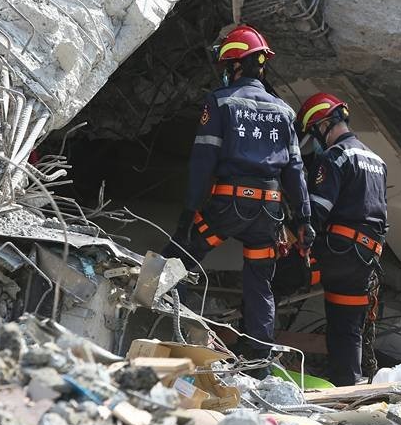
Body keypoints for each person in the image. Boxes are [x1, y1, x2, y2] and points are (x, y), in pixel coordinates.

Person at [165, 25, 314, 371]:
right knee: (260, 283)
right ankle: (259, 361)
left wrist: (189, 211)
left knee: (177, 259)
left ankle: (171, 334)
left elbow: (203, 162)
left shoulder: (220, 101)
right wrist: (304, 219)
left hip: (228, 207)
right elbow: (295, 171)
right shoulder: (284, 112)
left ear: (234, 65)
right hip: (268, 215)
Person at [296, 92, 388, 386]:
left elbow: (317, 212)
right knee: (347, 327)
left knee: (275, 277)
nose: (315, 141)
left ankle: (254, 353)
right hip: (366, 259)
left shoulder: (335, 156)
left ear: (324, 125)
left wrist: (298, 239)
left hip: (338, 252)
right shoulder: (377, 160)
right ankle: (348, 386)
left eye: (314, 133)